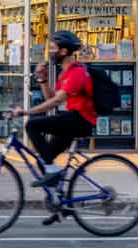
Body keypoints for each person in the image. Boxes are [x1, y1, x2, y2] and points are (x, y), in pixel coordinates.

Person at [13, 30, 97, 190]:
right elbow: (52, 98)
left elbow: (57, 101)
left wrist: (27, 112)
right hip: (71, 117)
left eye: (52, 48)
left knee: (32, 125)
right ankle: (58, 203)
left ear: (63, 51)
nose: (50, 52)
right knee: (44, 159)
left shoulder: (76, 72)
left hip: (80, 119)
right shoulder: (65, 73)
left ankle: (52, 172)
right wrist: (42, 78)